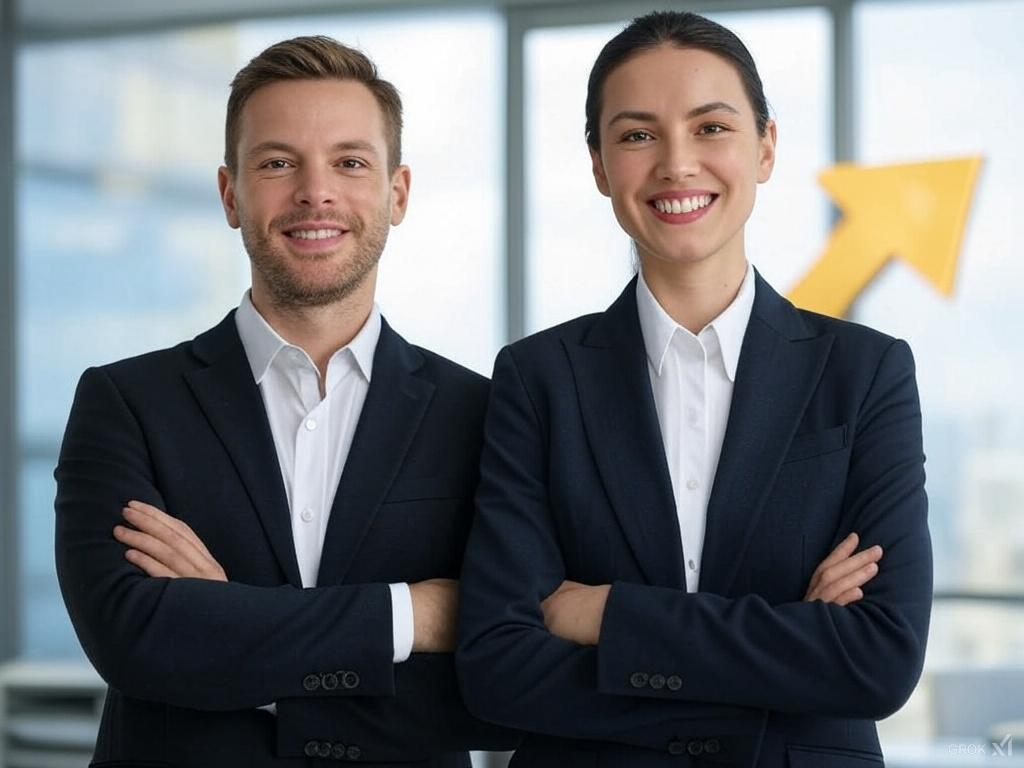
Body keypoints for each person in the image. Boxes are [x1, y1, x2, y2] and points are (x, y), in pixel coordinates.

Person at [456, 11, 931, 767]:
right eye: (638, 135)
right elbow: (497, 668)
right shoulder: (537, 378)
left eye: (711, 127)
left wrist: (608, 613)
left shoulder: (864, 372)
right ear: (599, 165)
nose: (677, 164)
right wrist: (785, 657)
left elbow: (878, 659)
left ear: (766, 146)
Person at [55, 36, 513, 768]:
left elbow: (505, 686)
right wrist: (414, 613)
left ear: (397, 192)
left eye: (350, 162)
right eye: (276, 163)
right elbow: (134, 641)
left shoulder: (484, 416)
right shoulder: (125, 403)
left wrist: (229, 624)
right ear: (231, 194)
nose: (315, 192)